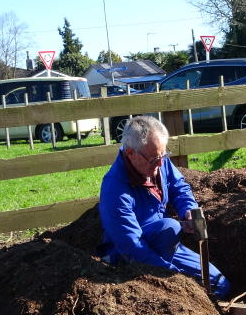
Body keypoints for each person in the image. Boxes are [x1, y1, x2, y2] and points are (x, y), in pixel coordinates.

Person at [97, 115, 230, 298]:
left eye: (163, 155)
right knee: (170, 227)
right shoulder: (115, 188)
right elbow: (132, 245)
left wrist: (188, 209)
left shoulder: (157, 158)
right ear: (129, 153)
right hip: (127, 255)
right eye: (153, 159)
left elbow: (178, 187)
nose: (161, 164)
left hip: (164, 244)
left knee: (218, 285)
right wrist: (175, 277)